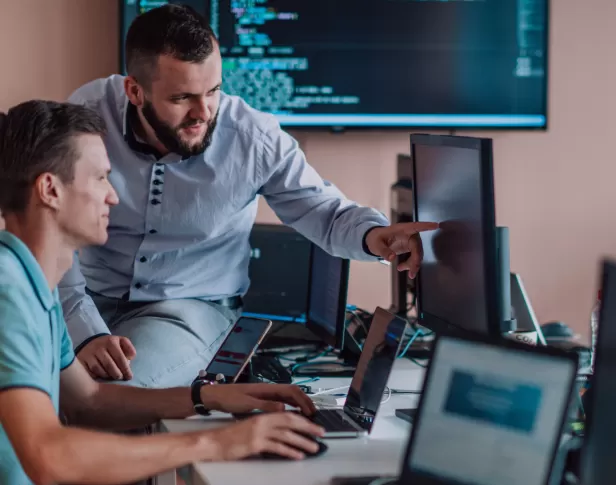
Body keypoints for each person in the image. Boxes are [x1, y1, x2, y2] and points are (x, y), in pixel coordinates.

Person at [61, 4, 438, 387]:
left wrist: (376, 236)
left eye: (213, 91)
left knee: (113, 390)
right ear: (135, 91)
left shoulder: (253, 138)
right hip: (84, 298)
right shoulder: (87, 117)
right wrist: (83, 328)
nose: (203, 112)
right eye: (182, 98)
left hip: (189, 310)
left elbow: (324, 210)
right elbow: (51, 224)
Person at [0, 99, 325, 485]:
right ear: (50, 190)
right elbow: (48, 458)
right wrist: (218, 442)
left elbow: (90, 401)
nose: (112, 196)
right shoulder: (9, 288)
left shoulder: (33, 283)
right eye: (100, 178)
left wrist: (208, 398)